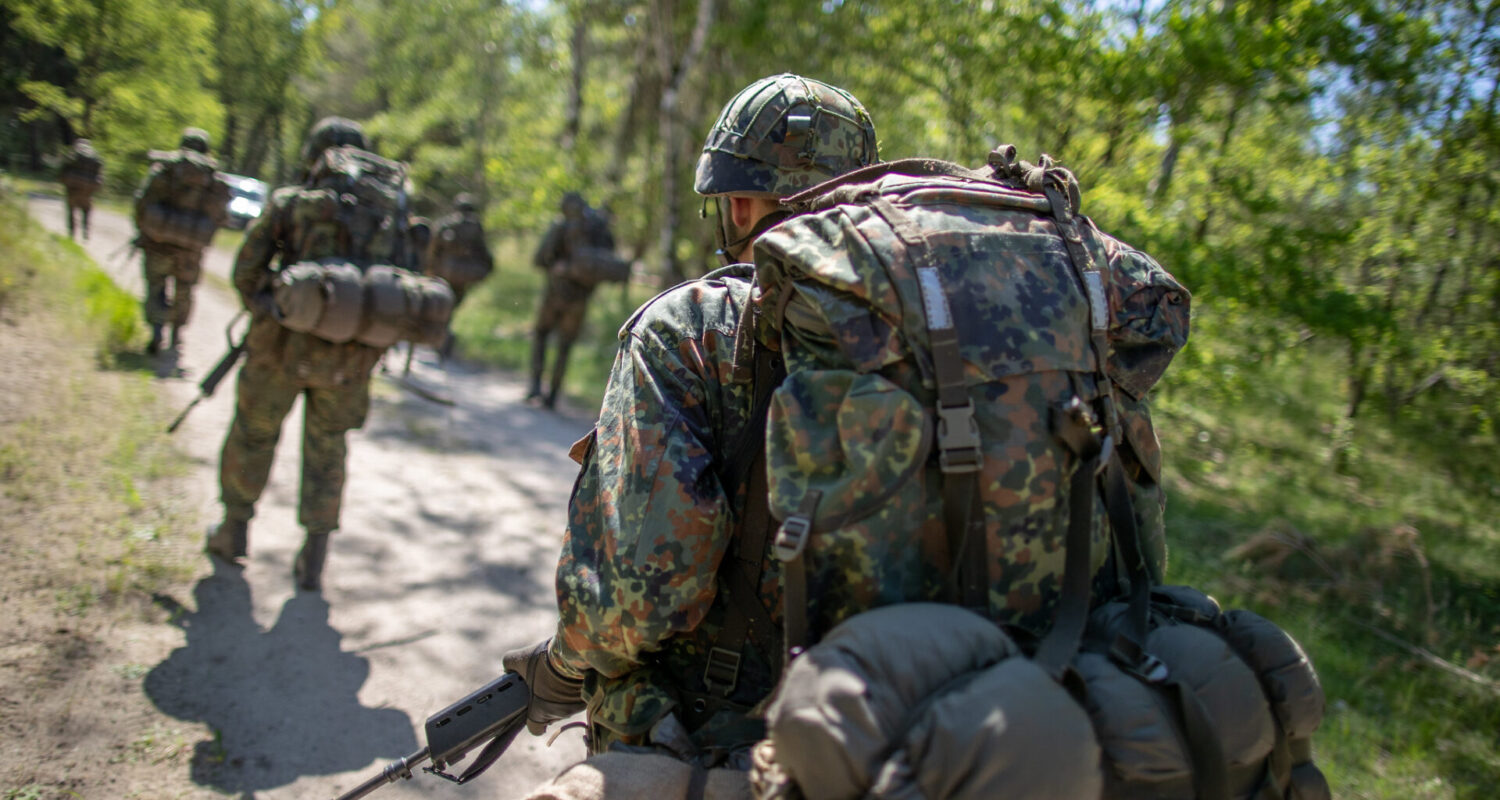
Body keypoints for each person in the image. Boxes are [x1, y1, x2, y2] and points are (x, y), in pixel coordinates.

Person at [501, 73, 881, 799]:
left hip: (710, 741)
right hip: (909, 743)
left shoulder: (694, 328)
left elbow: (636, 592)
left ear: (738, 201)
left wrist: (560, 668)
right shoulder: (944, 337)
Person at [206, 116, 408, 592]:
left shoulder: (292, 204)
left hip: (277, 350)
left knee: (253, 435)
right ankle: (314, 557)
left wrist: (274, 308)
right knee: (328, 451)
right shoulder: (389, 217)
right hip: (349, 363)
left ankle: (233, 531)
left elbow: (246, 272)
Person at [133, 127, 227, 354]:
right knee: (184, 290)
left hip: (157, 243)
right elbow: (220, 216)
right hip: (191, 250)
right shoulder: (213, 180)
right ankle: (177, 334)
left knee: (156, 286)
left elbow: (142, 203)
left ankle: (157, 329)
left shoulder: (164, 170)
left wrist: (144, 230)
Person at [527, 191, 615, 409]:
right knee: (565, 345)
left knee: (541, 335)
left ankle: (535, 388)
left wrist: (559, 268)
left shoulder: (561, 226)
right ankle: (553, 396)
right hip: (580, 299)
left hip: (555, 293)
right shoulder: (598, 232)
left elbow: (539, 259)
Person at [425, 192, 494, 359]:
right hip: (463, 277)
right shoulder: (476, 228)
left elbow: (433, 250)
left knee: (439, 306)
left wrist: (429, 269)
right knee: (451, 308)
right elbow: (484, 254)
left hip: (443, 273)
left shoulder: (446, 224)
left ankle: (437, 338)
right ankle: (442, 340)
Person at [58, 138, 104, 240]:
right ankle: (86, 231)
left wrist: (63, 180)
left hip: (73, 187)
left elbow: (63, 169)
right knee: (87, 210)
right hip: (89, 189)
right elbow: (100, 172)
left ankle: (72, 233)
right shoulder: (94, 157)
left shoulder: (74, 155)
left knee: (71, 209)